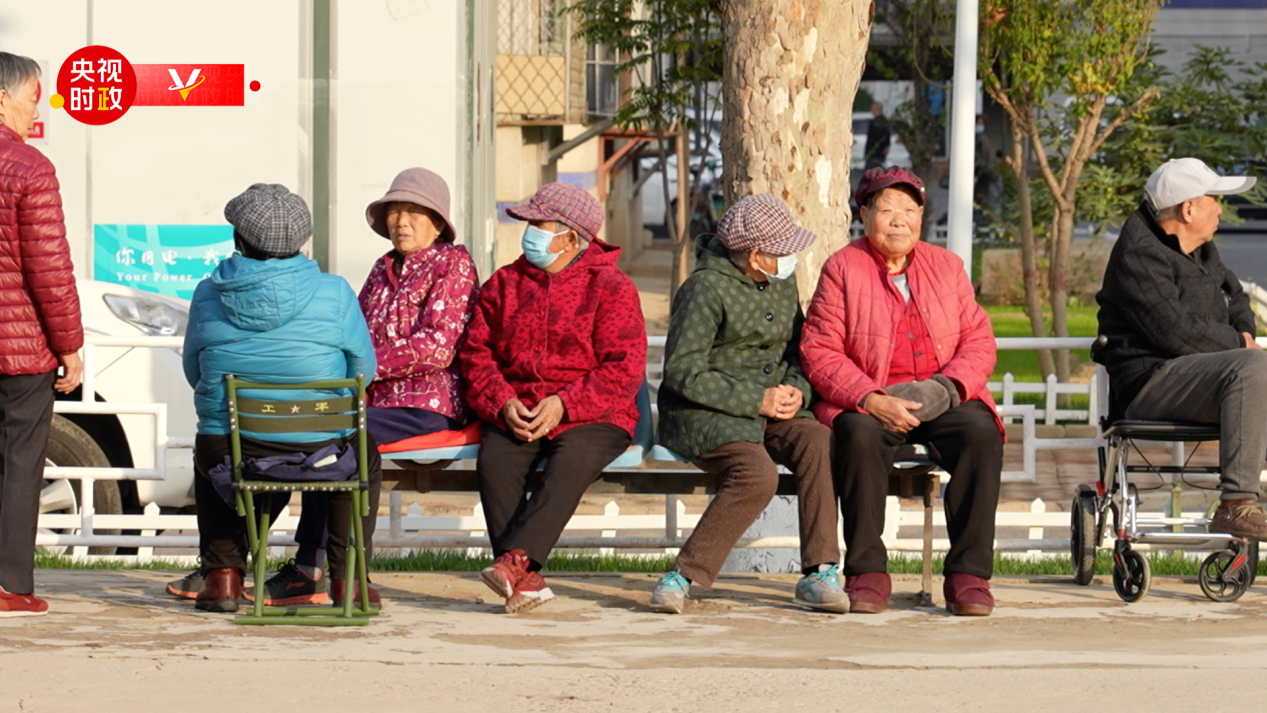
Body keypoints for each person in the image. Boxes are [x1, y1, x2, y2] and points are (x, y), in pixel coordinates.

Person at [801, 166, 1004, 616]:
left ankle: (969, 575)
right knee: (856, 435)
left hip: (939, 393)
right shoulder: (842, 268)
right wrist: (872, 398)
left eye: (909, 210)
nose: (899, 220)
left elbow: (979, 340)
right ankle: (867, 571)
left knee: (981, 434)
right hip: (872, 395)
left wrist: (948, 388)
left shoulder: (947, 266)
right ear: (864, 213)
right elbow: (820, 350)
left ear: (921, 216)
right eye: (887, 208)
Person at [180, 183, 382, 613]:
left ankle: (223, 578)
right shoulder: (337, 292)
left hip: (236, 445)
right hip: (321, 445)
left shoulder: (207, 294)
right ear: (301, 241)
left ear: (238, 239)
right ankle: (349, 581)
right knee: (363, 453)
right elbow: (363, 372)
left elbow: (194, 372)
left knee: (211, 440)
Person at [649, 194, 844, 614]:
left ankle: (820, 572)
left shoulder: (781, 281)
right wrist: (757, 399)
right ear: (756, 255)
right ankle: (682, 575)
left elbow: (797, 349)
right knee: (757, 475)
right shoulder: (703, 289)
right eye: (782, 251)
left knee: (818, 441)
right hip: (707, 414)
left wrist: (797, 391)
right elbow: (683, 372)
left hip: (774, 409)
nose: (791, 257)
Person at [460, 182, 646, 614]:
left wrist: (565, 403)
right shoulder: (503, 284)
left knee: (571, 460)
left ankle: (515, 561)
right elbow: (476, 352)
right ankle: (526, 578)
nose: (527, 233)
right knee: (496, 460)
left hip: (595, 413)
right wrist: (503, 402)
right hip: (518, 407)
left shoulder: (611, 287)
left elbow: (624, 366)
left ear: (570, 237)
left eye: (538, 225)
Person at [1095, 158, 1266, 537]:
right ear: (1189, 208)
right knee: (1253, 368)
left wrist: (1245, 334)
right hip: (1150, 383)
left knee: (1254, 368)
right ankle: (1236, 505)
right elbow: (1175, 332)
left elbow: (1236, 296)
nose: (1221, 209)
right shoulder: (1138, 255)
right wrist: (1241, 345)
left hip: (1204, 378)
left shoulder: (1202, 248)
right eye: (1215, 199)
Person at [0, 52, 84, 617]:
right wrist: (70, 345)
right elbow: (48, 269)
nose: (39, 108)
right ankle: (7, 584)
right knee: (18, 461)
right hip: (19, 348)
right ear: (6, 95)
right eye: (36, 95)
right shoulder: (30, 168)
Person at [864, 103, 891, 171]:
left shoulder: (876, 122)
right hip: (878, 151)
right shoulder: (884, 121)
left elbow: (881, 136)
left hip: (874, 152)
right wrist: (886, 146)